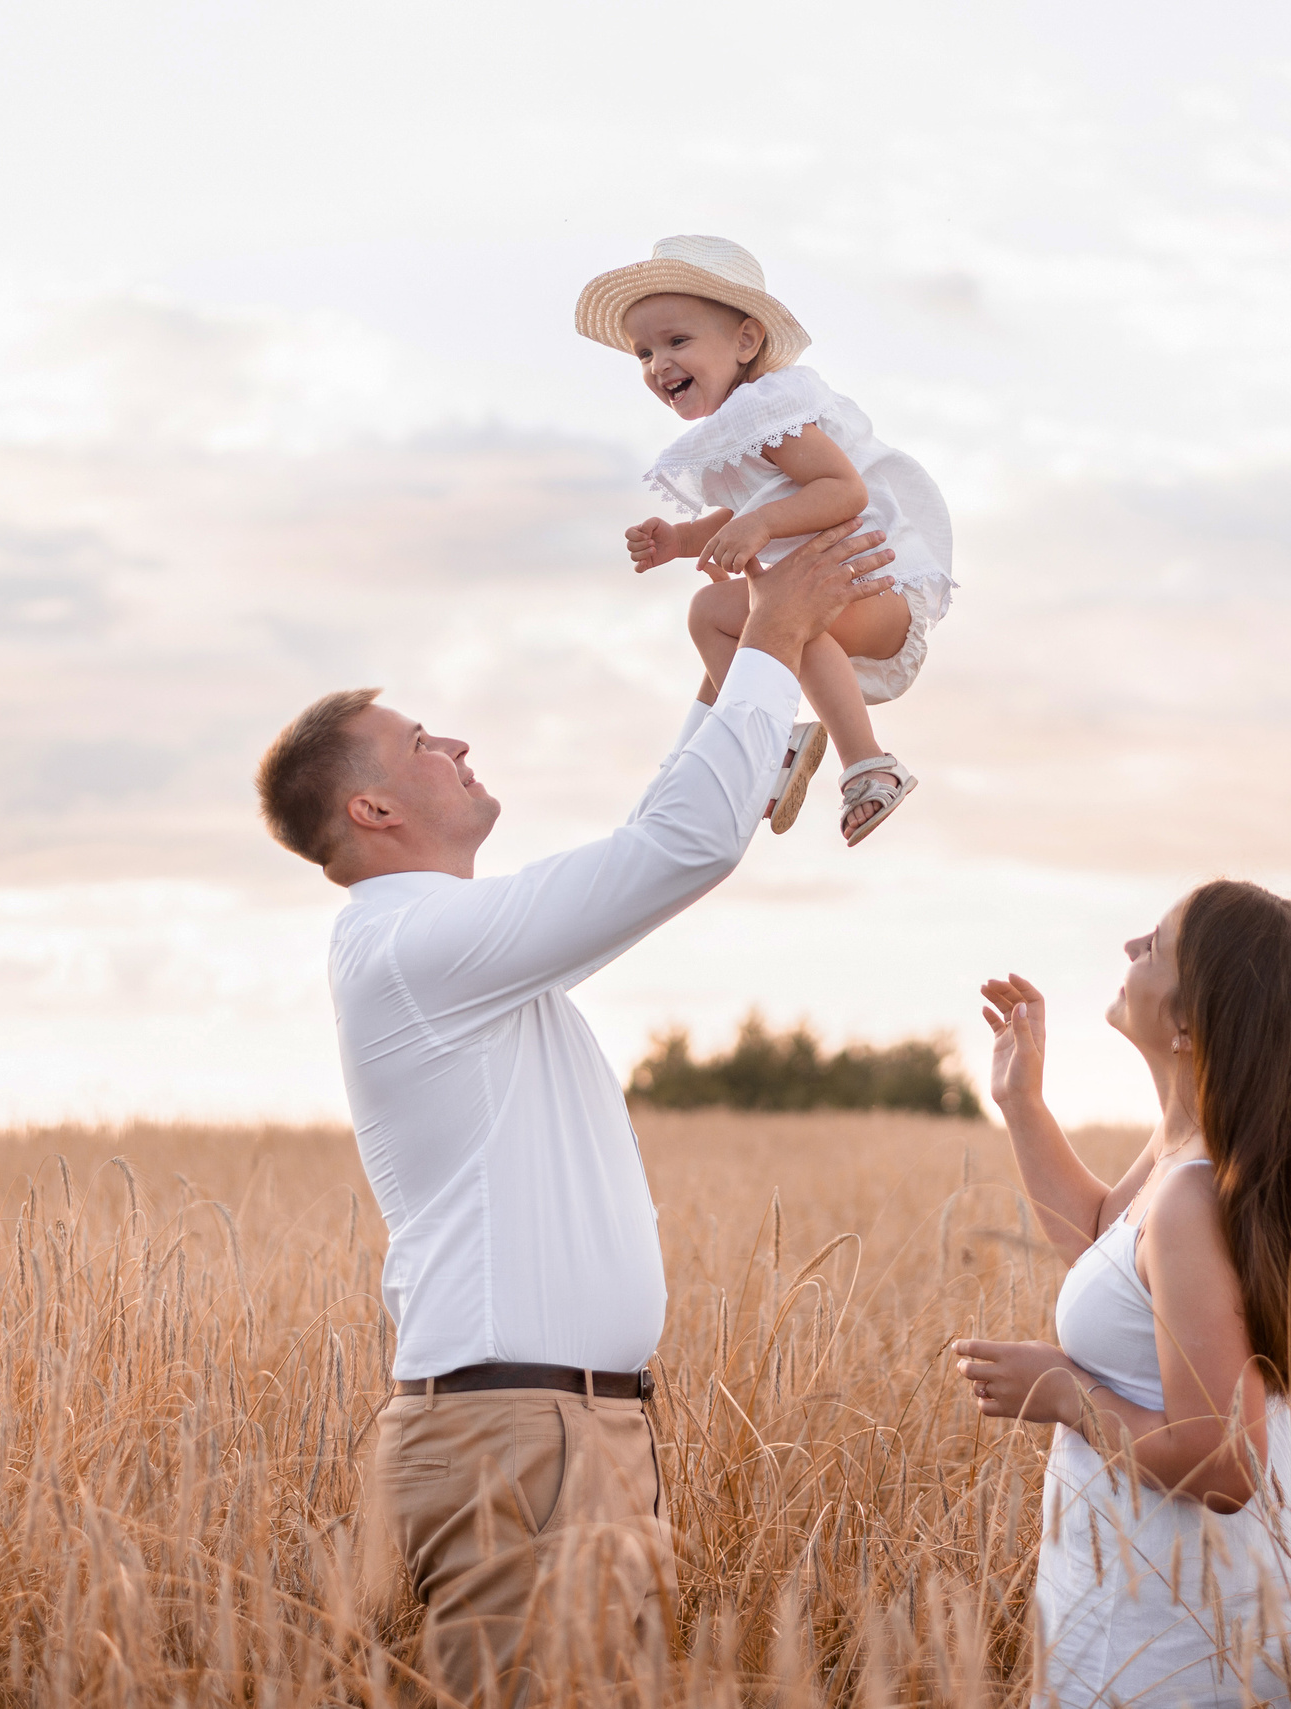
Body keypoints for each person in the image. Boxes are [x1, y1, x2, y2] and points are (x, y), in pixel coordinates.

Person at [253, 520, 898, 1703]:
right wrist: (769, 634)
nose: (455, 742)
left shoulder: (443, 950)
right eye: (419, 741)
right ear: (374, 809)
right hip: (524, 1435)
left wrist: (727, 683)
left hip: (550, 1430)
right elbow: (677, 847)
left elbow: (650, 843)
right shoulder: (415, 944)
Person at [952, 881, 1291, 1707]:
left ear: (1189, 1025)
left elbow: (1223, 1460)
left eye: (1159, 944)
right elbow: (1104, 1239)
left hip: (1178, 1658)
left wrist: (1065, 1393)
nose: (1132, 945)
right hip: (1177, 1626)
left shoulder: (1189, 1198)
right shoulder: (1187, 1158)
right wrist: (1022, 1102)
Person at [576, 235, 956, 846]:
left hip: (880, 586)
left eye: (677, 341)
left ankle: (849, 759)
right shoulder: (742, 427)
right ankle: (787, 747)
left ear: (746, 341)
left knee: (733, 610)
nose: (658, 364)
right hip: (839, 596)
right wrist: (680, 539)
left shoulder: (773, 407)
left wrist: (762, 526)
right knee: (744, 615)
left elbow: (844, 490)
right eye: (643, 352)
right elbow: (748, 508)